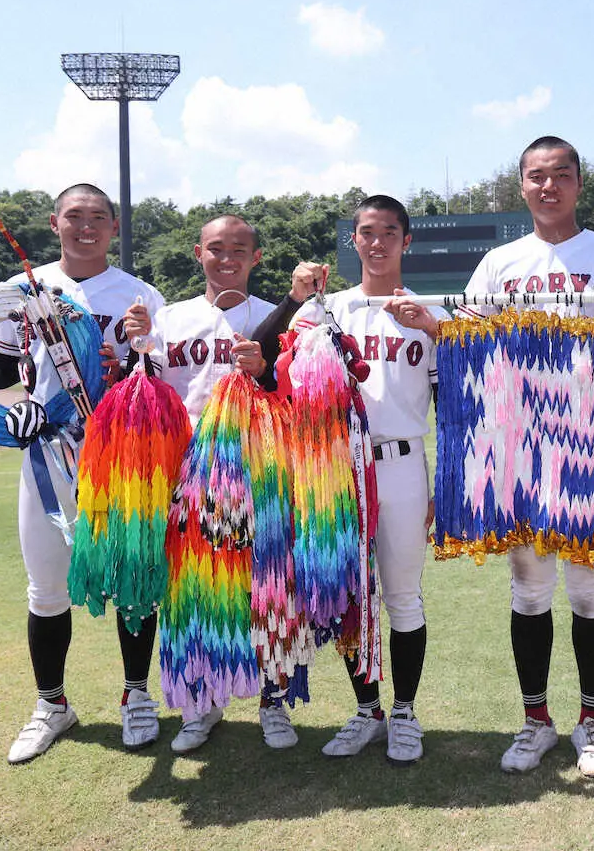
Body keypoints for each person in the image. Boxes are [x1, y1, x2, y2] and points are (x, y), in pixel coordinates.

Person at [457, 136, 594, 779]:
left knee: (589, 587)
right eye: (536, 176)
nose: (548, 186)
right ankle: (535, 721)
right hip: (523, 443)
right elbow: (469, 338)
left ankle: (593, 724)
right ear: (521, 187)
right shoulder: (500, 262)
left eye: (561, 175)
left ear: (580, 184)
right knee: (528, 587)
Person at [0, 183, 165, 763]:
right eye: (74, 217)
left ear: (114, 227)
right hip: (47, 451)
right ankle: (52, 704)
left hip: (122, 452)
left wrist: (133, 354)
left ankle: (137, 695)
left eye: (98, 218)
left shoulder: (141, 294)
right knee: (46, 584)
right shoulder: (22, 289)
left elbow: (160, 381)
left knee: (134, 573)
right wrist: (19, 389)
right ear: (55, 222)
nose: (87, 227)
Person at [253, 194, 442, 765]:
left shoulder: (429, 309)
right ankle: (369, 710)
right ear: (353, 241)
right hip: (332, 469)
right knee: (349, 595)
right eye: (367, 231)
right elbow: (263, 359)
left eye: (390, 231)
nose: (378, 241)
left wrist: (433, 327)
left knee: (403, 597)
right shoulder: (324, 306)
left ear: (406, 241)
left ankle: (405, 712)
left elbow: (458, 397)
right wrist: (293, 297)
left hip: (402, 460)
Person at [144, 214, 287, 754]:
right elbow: (148, 391)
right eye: (216, 248)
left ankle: (273, 699)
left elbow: (293, 394)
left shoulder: (277, 317)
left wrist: (265, 372)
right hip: (190, 471)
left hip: (259, 467)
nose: (227, 258)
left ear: (256, 258)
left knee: (266, 588)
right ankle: (201, 703)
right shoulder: (169, 318)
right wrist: (132, 348)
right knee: (194, 590)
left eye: (239, 249)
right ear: (198, 253)